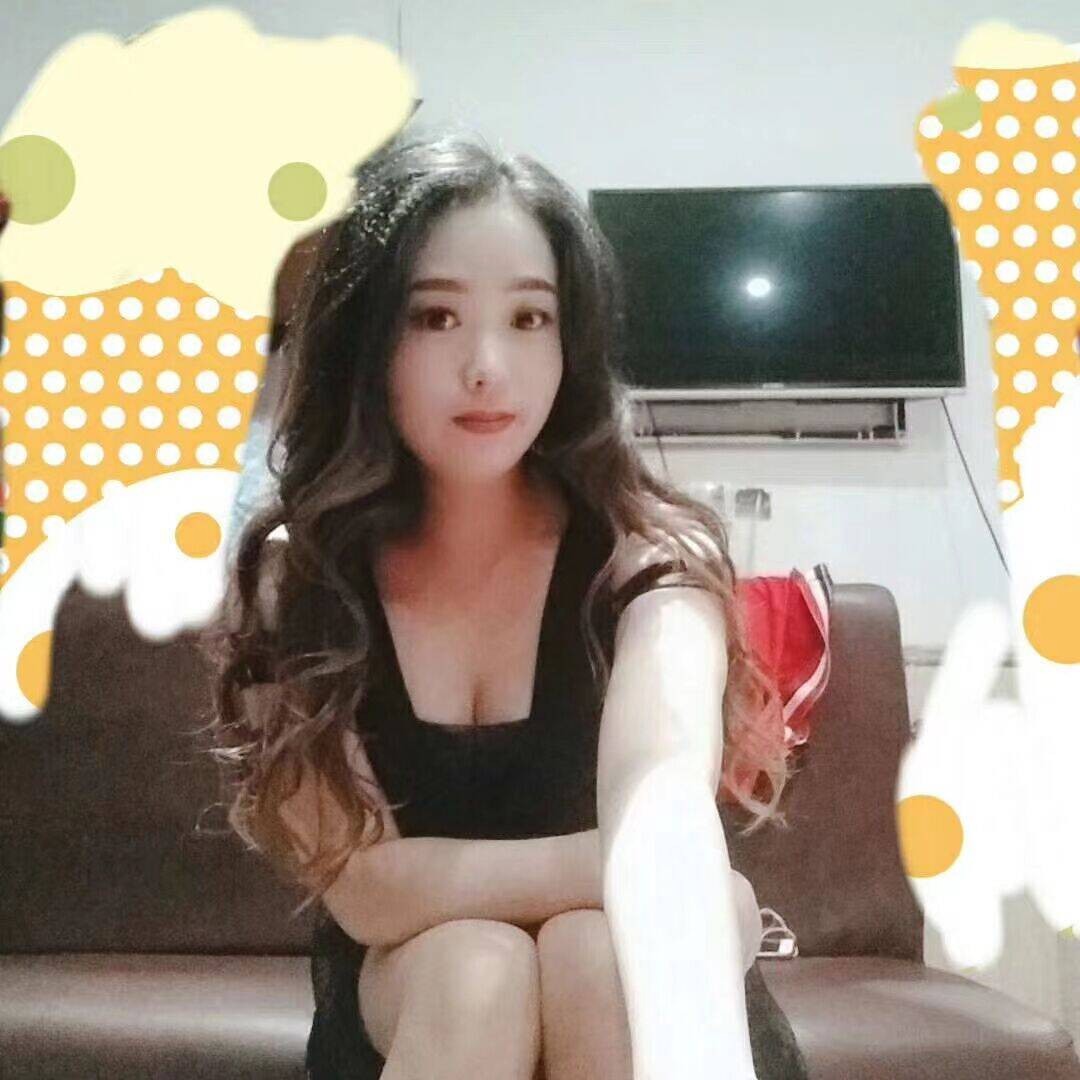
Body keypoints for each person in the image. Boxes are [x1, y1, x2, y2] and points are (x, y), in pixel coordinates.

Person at [200, 126, 809, 1080]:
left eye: (529, 318)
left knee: (595, 954)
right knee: (477, 970)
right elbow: (366, 892)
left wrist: (668, 873)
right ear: (367, 338)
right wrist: (640, 867)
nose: (487, 364)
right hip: (418, 1000)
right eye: (435, 317)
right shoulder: (300, 584)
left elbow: (660, 799)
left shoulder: (647, 567)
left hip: (633, 976)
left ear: (572, 342)